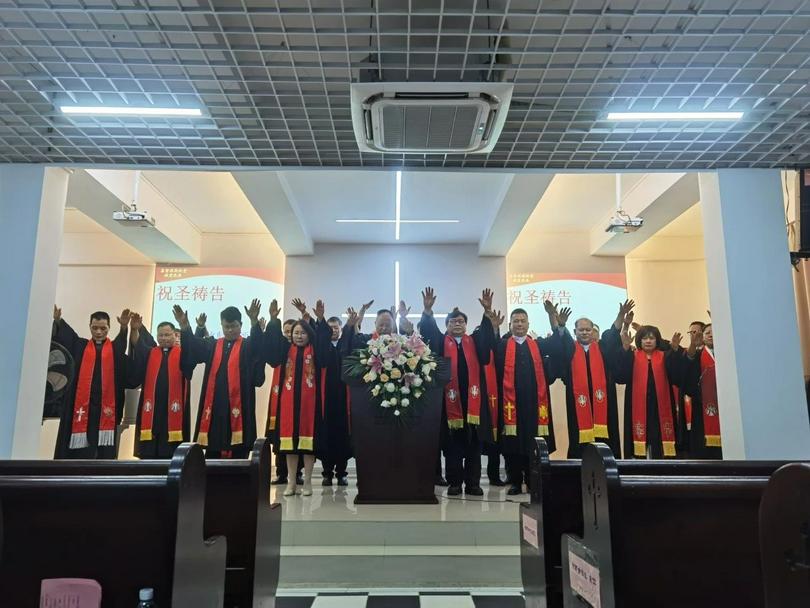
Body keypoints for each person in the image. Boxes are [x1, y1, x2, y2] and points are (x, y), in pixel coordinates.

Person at [418, 287, 496, 496]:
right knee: (452, 448)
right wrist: (427, 312)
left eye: (461, 321)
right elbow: (428, 332)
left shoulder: (475, 341)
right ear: (447, 326)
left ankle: (473, 484)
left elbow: (488, 340)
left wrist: (487, 312)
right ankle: (454, 483)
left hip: (474, 405)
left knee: (473, 448)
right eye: (453, 322)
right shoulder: (439, 342)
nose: (457, 325)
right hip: (448, 404)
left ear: (466, 325)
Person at [175, 300, 265, 458]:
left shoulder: (247, 345)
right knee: (213, 446)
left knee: (239, 448)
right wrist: (185, 327)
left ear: (241, 325)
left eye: (234, 326)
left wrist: (254, 321)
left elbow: (259, 347)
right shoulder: (212, 344)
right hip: (215, 406)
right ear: (221, 325)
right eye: (226, 327)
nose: (230, 330)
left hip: (239, 405)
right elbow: (194, 348)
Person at [265, 298, 331, 496]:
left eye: (303, 333)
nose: (299, 336)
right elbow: (272, 349)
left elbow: (324, 339)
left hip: (310, 406)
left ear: (309, 335)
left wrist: (319, 318)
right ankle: (292, 483)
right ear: (291, 336)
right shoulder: (285, 350)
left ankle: (308, 482)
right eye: (296, 333)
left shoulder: (316, 351)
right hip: (288, 405)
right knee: (290, 446)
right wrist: (274, 320)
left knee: (308, 446)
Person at [495, 304, 563, 495]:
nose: (519, 324)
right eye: (515, 321)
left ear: (528, 324)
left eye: (522, 321)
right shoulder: (502, 345)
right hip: (511, 404)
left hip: (535, 403)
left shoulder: (538, 344)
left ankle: (533, 481)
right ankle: (515, 481)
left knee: (534, 443)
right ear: (510, 325)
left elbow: (557, 344)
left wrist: (552, 317)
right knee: (513, 444)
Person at [602, 303, 683, 459]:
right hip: (637, 405)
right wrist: (625, 349)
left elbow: (676, 376)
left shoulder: (665, 356)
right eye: (644, 337)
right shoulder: (632, 355)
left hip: (660, 406)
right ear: (639, 340)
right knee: (638, 440)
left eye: (651, 338)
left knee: (660, 441)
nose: (648, 341)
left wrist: (674, 351)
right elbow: (621, 377)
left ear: (657, 340)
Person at [52, 306, 130, 459]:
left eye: (103, 328)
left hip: (105, 405)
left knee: (102, 448)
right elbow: (68, 336)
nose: (99, 332)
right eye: (95, 328)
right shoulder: (80, 346)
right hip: (82, 404)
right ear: (90, 326)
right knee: (81, 448)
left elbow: (121, 344)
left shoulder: (114, 349)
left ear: (109, 328)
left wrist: (124, 327)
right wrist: (58, 320)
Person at [553, 308, 622, 458]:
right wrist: (561, 326)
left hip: (603, 402)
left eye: (588, 330)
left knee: (605, 438)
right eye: (581, 330)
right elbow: (561, 342)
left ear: (593, 331)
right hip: (578, 403)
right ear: (575, 331)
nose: (584, 332)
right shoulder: (570, 349)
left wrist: (620, 317)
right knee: (578, 435)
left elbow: (613, 334)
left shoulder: (602, 348)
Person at [127, 315, 194, 458]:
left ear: (175, 335)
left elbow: (193, 347)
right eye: (161, 335)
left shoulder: (183, 354)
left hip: (174, 409)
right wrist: (134, 329)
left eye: (167, 335)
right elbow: (136, 342)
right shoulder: (151, 352)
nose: (163, 338)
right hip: (152, 408)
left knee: (171, 450)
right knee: (150, 448)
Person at [267, 318, 303, 485]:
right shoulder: (280, 349)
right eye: (286, 331)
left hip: (295, 400)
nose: (289, 334)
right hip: (279, 400)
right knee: (278, 439)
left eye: (292, 331)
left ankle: (298, 474)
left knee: (298, 437)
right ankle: (281, 473)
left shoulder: (302, 350)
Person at [681, 323, 722, 459]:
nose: (710, 334)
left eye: (714, 331)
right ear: (702, 337)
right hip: (703, 406)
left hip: (726, 405)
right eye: (707, 333)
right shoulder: (698, 355)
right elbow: (688, 377)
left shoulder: (728, 353)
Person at [321, 315, 352, 486]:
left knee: (342, 439)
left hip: (343, 399)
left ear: (341, 330)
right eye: (330, 327)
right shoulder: (322, 347)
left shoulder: (345, 345)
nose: (333, 330)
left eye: (336, 328)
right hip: (326, 400)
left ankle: (341, 473)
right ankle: (327, 473)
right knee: (327, 437)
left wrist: (352, 324)